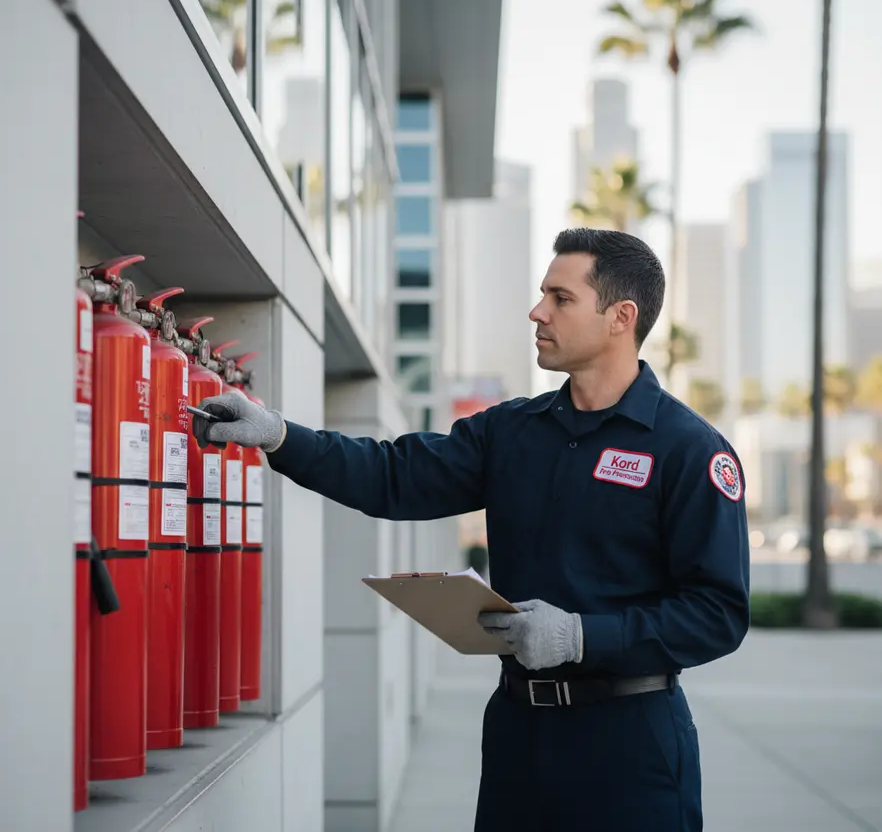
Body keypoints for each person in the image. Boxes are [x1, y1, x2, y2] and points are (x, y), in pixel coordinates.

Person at [193, 228, 750, 831]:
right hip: (518, 735)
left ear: (621, 317)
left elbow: (717, 613)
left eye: (561, 298)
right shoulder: (513, 432)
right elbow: (392, 475)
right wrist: (280, 436)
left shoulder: (689, 452)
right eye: (543, 295)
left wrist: (581, 637)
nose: (537, 311)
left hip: (630, 744)